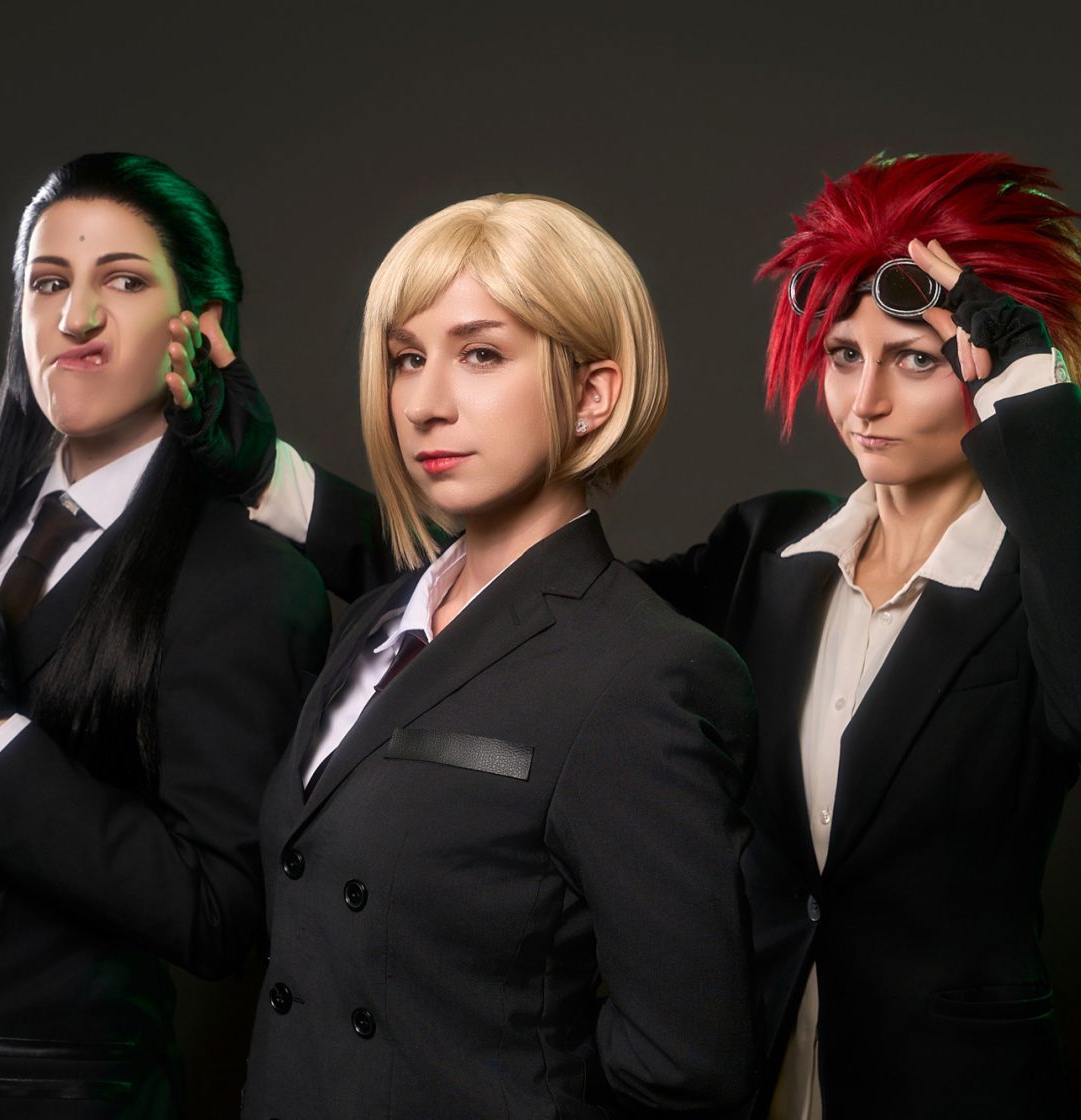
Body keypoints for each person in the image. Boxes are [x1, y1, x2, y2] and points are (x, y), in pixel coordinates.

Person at [189, 152, 1081, 1118]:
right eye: (844, 355)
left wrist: (1032, 390)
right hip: (746, 1064)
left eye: (915, 359)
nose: (866, 400)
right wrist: (268, 478)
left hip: (942, 1081)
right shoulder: (770, 548)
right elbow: (529, 616)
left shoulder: (1076, 569)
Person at [0, 152, 331, 1119]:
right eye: (48, 282)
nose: (75, 318)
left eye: (121, 281)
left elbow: (218, 913)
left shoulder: (249, 580)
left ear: (201, 328)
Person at [236, 194, 757, 1119]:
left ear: (593, 393)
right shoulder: (378, 622)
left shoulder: (644, 673)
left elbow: (684, 1066)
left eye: (480, 353)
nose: (424, 404)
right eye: (407, 358)